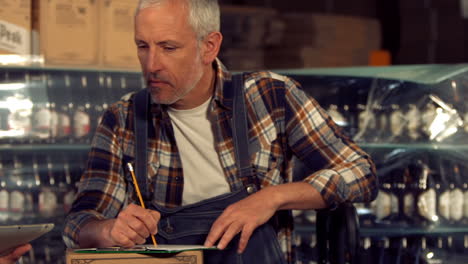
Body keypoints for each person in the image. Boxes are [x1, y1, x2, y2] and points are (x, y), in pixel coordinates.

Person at [63, 0, 377, 263]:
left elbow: (361, 173)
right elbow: (79, 222)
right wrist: (108, 231)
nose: (151, 64)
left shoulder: (270, 96)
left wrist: (274, 197)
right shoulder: (123, 118)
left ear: (209, 46)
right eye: (142, 46)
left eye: (168, 47)